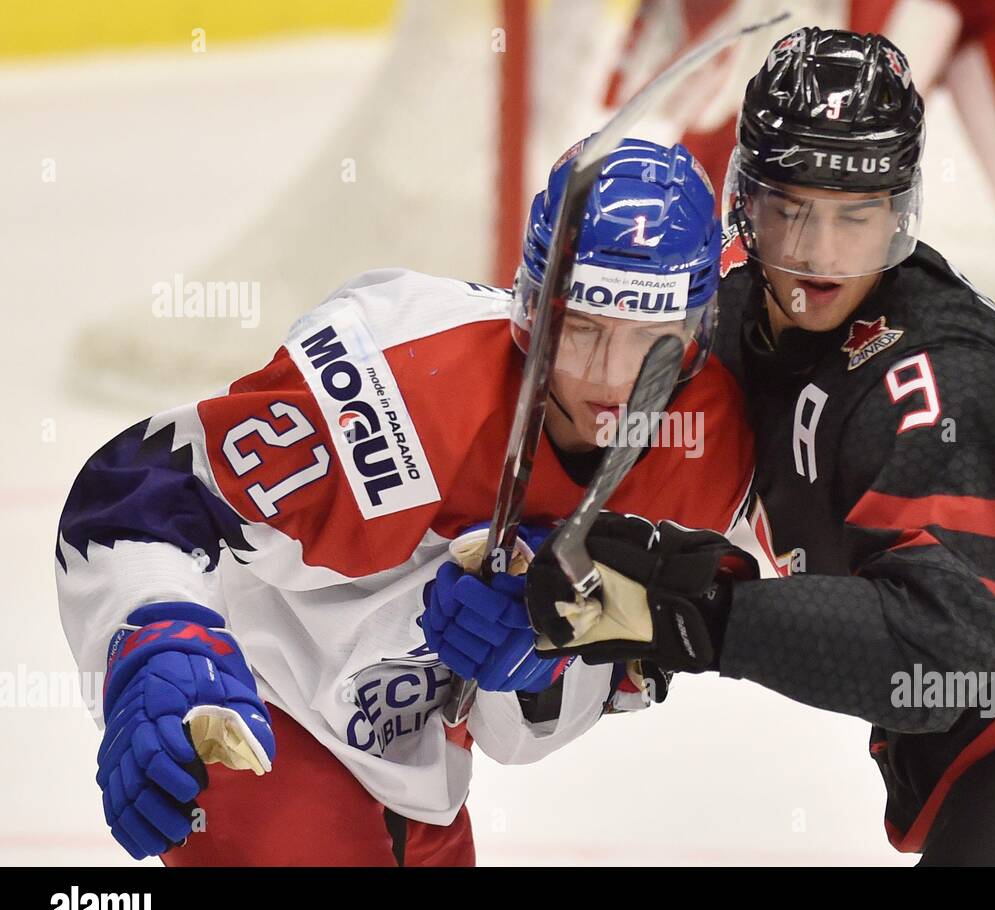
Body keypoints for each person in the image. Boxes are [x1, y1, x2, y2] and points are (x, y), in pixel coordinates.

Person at [523, 29, 995, 866]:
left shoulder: (940, 378)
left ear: (899, 211)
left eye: (858, 215)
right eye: (791, 208)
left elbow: (948, 649)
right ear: (747, 203)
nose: (818, 251)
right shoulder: (732, 307)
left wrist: (697, 617)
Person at [54, 138, 755, 865]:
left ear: (697, 334)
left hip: (416, 770)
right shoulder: (401, 385)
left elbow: (516, 735)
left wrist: (549, 652)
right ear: (531, 311)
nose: (610, 381)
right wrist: (159, 637)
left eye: (651, 342)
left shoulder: (709, 453)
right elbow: (136, 494)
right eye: (581, 330)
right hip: (264, 713)